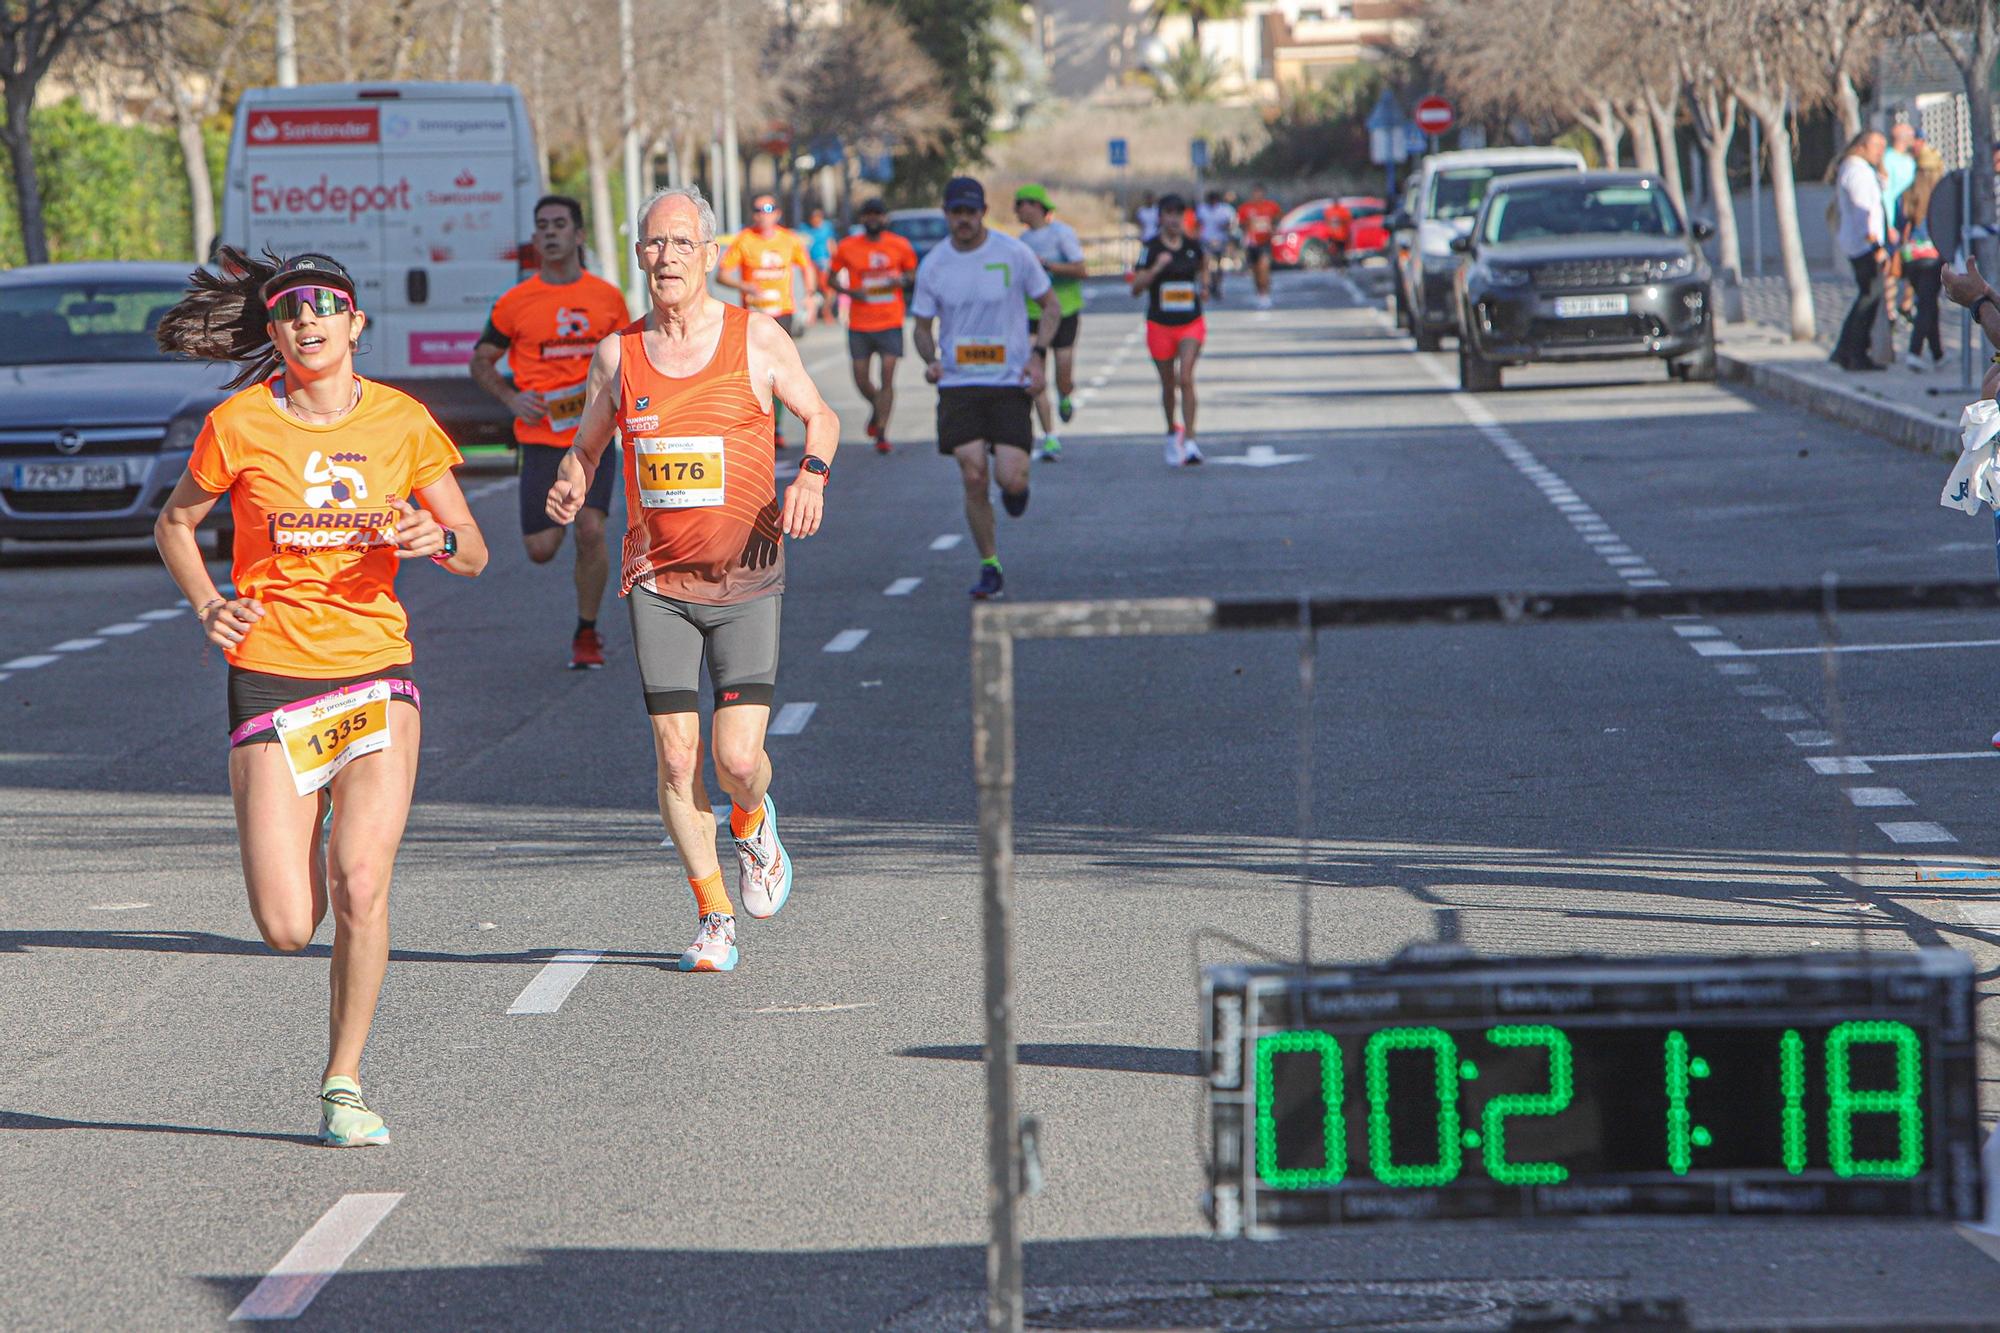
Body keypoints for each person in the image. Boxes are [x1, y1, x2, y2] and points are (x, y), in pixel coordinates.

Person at [151, 249, 489, 1145]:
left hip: (377, 672)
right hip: (272, 675)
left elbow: (472, 545)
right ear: (273, 332)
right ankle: (302, 858)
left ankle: (343, 1079)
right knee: (288, 924)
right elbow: (175, 522)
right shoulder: (238, 426)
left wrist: (434, 534)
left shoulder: (403, 421)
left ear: (355, 323)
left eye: (325, 305)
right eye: (291, 309)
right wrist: (209, 604)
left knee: (362, 879)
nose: (308, 320)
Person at [549, 185, 838, 973]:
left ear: (711, 254)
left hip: (746, 578)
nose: (666, 257)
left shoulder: (755, 336)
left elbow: (823, 416)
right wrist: (572, 478)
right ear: (637, 255)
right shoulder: (620, 352)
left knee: (737, 758)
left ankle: (752, 821)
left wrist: (809, 476)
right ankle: (712, 911)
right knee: (678, 757)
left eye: (681, 243)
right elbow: (585, 445)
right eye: (652, 244)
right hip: (659, 585)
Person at [470, 195, 631, 669]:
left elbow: (632, 358)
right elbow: (481, 359)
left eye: (560, 224)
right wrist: (512, 398)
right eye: (543, 227)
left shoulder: (606, 298)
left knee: (590, 528)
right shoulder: (515, 302)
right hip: (541, 439)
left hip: (593, 438)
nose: (551, 233)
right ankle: (560, 523)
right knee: (540, 550)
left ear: (579, 235)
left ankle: (587, 632)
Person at [911, 176, 1060, 600]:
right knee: (973, 474)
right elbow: (922, 328)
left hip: (1008, 384)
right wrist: (931, 360)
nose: (963, 220)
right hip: (959, 385)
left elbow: (1050, 306)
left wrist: (1037, 356)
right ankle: (990, 563)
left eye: (970, 212)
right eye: (956, 212)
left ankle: (1017, 488)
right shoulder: (935, 264)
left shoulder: (1014, 254)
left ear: (983, 213)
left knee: (1010, 478)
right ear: (947, 215)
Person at [719, 194, 820, 448]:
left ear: (777, 214)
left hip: (781, 314)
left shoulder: (789, 240)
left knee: (779, 374)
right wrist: (745, 285)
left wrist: (809, 296)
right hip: (753, 318)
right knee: (754, 372)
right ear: (753, 214)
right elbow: (722, 274)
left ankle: (776, 428)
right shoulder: (744, 240)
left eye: (769, 209)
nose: (764, 214)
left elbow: (807, 267)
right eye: (758, 210)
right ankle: (759, 425)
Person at [829, 197, 919, 454]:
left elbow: (912, 274)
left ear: (885, 218)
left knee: (887, 376)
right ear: (862, 219)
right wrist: (850, 292)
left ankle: (881, 432)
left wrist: (900, 280)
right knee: (861, 378)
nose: (872, 219)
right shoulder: (848, 247)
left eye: (877, 215)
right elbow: (831, 278)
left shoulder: (899, 245)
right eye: (867, 215)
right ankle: (877, 407)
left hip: (890, 320)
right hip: (859, 322)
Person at [1132, 195, 1208, 467]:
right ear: (1160, 217)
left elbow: (1203, 266)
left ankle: (1190, 441)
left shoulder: (1192, 246)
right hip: (1160, 325)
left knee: (1185, 378)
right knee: (1168, 383)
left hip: (1190, 322)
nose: (1174, 219)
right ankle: (1170, 431)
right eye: (1169, 213)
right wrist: (1156, 268)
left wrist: (1206, 286)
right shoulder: (1150, 248)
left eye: (1179, 213)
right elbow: (1136, 288)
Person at [1012, 183, 1087, 461]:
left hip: (1065, 310)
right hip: (1034, 314)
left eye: (1021, 203)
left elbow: (1081, 270)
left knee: (1063, 374)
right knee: (1035, 373)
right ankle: (1050, 437)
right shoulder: (1020, 241)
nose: (1017, 209)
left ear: (1037, 206)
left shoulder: (1062, 234)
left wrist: (1048, 267)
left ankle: (1065, 395)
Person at [1830, 129, 1889, 372]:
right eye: (1876, 146)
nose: (1880, 152)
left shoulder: (1861, 169)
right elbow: (1864, 211)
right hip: (1865, 245)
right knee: (1868, 299)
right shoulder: (1856, 170)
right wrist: (1876, 246)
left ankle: (1845, 351)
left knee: (1867, 297)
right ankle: (1854, 353)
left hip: (1863, 243)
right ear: (1863, 146)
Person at [1899, 146, 1946, 372]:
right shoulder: (1941, 194)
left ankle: (1937, 354)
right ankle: (1914, 351)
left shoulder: (1908, 194)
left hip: (1910, 256)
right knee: (1926, 305)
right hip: (1933, 256)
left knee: (1927, 302)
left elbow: (1900, 224)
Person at [1880, 123, 1918, 323]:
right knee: (1892, 267)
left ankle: (1906, 304)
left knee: (1913, 261)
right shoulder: (1888, 159)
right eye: (1911, 134)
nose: (1914, 137)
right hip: (1895, 219)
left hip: (1909, 219)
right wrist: (1889, 225)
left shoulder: (1910, 159)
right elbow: (1886, 194)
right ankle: (1890, 310)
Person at [1237, 184, 1282, 311]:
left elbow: (1278, 219)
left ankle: (1265, 294)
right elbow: (1240, 224)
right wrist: (1247, 229)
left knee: (1264, 267)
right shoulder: (1245, 208)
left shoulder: (1271, 206)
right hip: (1252, 244)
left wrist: (1273, 228)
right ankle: (1259, 291)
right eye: (1255, 193)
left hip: (1265, 242)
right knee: (1256, 271)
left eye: (1260, 193)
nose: (1258, 195)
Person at [803, 205, 839, 326]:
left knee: (829, 290)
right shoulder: (805, 229)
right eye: (814, 217)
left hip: (824, 261)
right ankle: (811, 314)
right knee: (811, 289)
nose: (816, 220)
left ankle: (826, 310)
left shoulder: (827, 227)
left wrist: (835, 260)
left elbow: (831, 243)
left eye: (819, 217)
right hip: (810, 263)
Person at [1196, 189, 1235, 298]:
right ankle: (1207, 285)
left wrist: (1224, 227)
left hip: (1220, 239)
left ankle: (1218, 284)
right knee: (1206, 263)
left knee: (1219, 264)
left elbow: (1230, 225)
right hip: (1206, 239)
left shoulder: (1224, 210)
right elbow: (1199, 224)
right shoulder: (1202, 209)